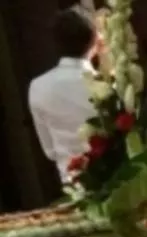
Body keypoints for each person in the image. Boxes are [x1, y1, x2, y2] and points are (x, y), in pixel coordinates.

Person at [28, 7, 100, 182]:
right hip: (120, 180)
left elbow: (50, 151)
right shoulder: (105, 83)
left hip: (72, 180)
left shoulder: (37, 86)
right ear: (94, 39)